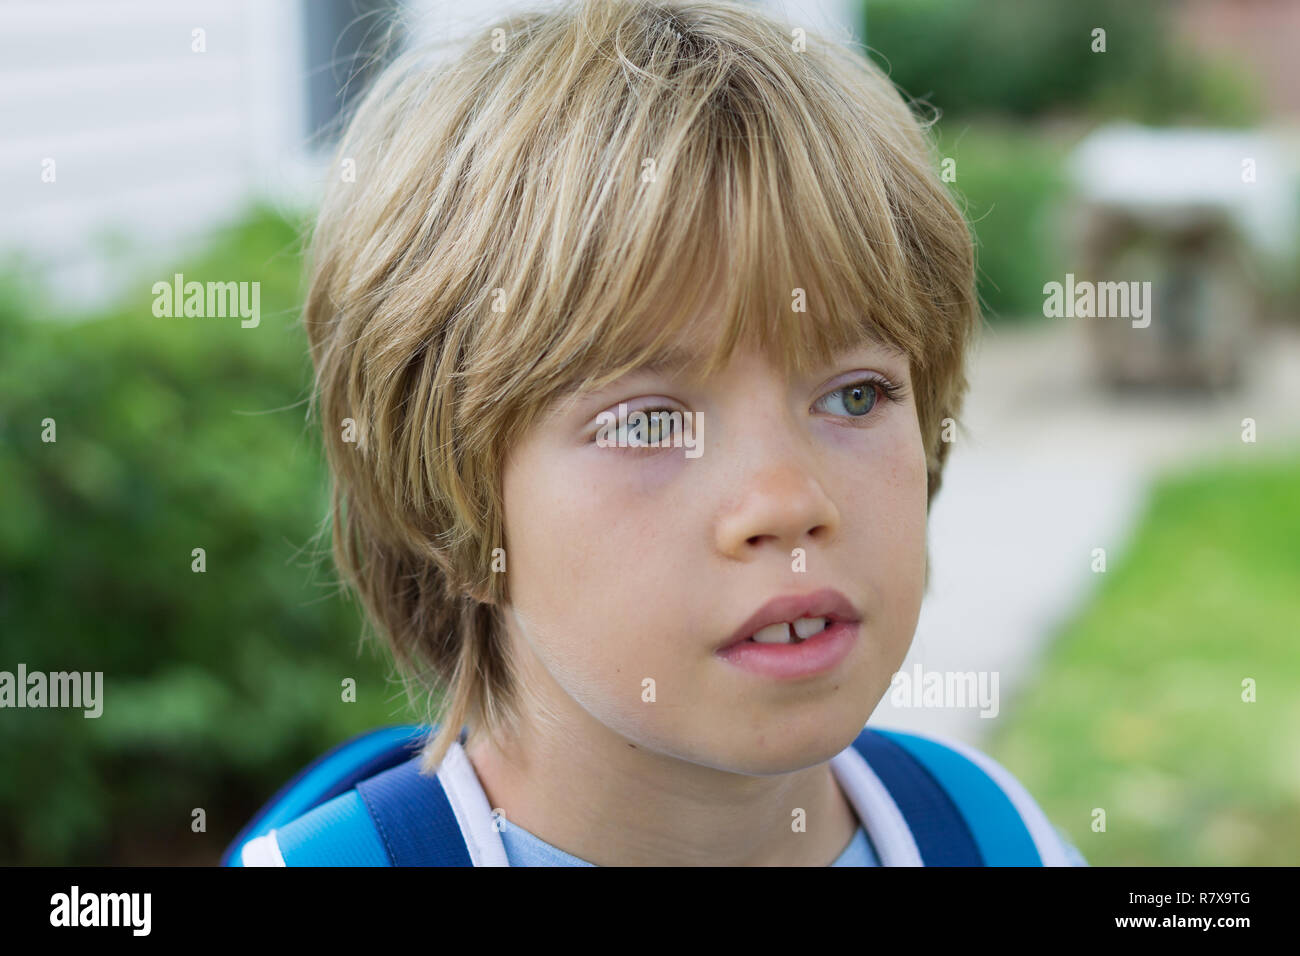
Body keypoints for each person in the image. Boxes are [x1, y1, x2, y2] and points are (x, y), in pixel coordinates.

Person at [234, 0, 1087, 867]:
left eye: (857, 396)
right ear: (448, 506)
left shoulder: (994, 837)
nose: (789, 504)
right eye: (647, 422)